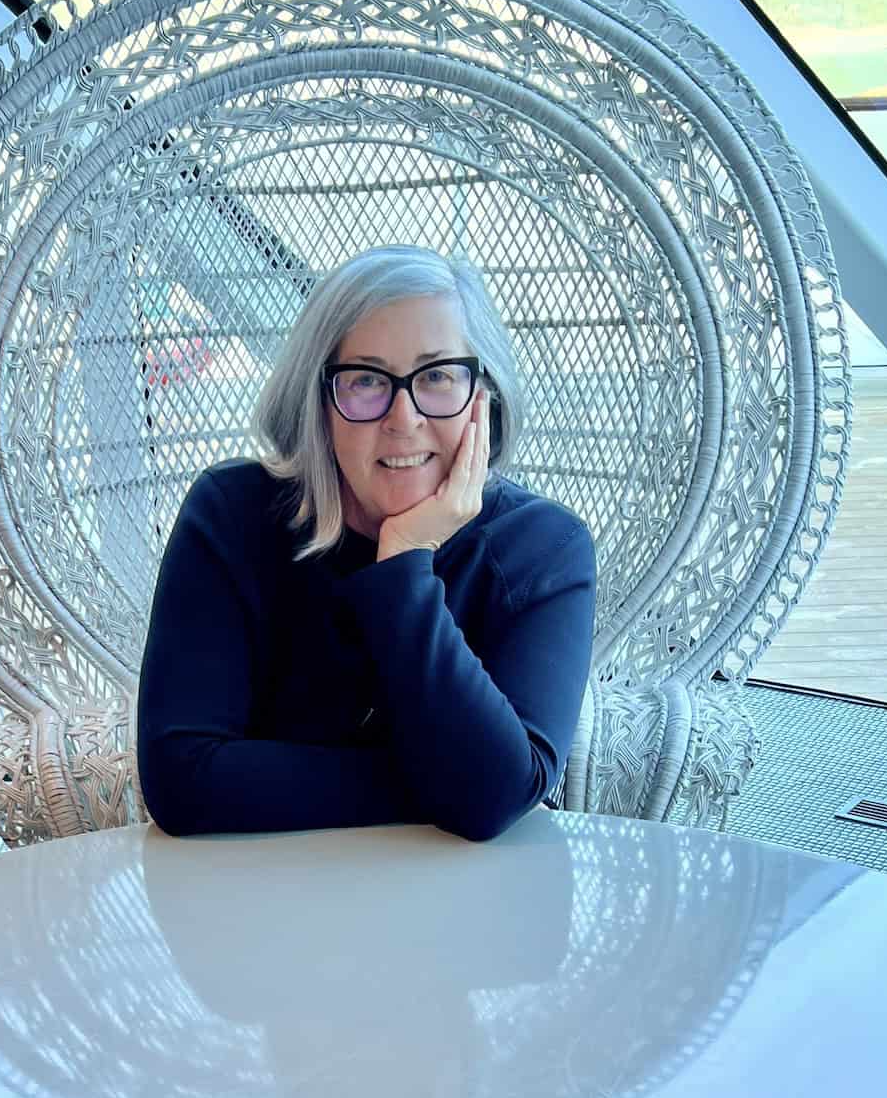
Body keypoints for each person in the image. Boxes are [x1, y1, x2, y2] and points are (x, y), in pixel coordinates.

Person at [135, 245, 596, 840]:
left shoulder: (545, 550)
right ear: (318, 403)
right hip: (260, 906)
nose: (403, 418)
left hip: (467, 914)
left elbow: (493, 797)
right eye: (365, 380)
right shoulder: (232, 514)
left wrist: (405, 561)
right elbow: (181, 783)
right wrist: (443, 784)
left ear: (485, 396)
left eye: (436, 376)